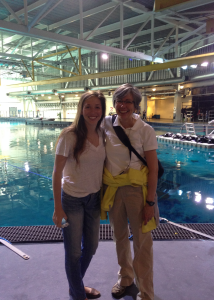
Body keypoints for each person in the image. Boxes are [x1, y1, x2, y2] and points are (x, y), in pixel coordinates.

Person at [101, 83, 159, 300]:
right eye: (119, 101)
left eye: (128, 102)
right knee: (120, 238)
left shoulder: (145, 130)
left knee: (143, 243)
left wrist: (150, 203)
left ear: (136, 105)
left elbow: (152, 169)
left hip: (137, 192)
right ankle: (125, 278)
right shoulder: (106, 123)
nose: (122, 105)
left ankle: (146, 292)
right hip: (114, 189)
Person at [52, 91, 106, 300]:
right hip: (72, 200)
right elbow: (57, 172)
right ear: (81, 109)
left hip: (94, 199)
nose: (92, 112)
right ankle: (77, 293)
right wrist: (58, 208)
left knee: (91, 247)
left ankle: (75, 285)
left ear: (102, 110)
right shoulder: (70, 135)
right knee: (74, 253)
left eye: (97, 107)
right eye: (88, 106)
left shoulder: (103, 134)